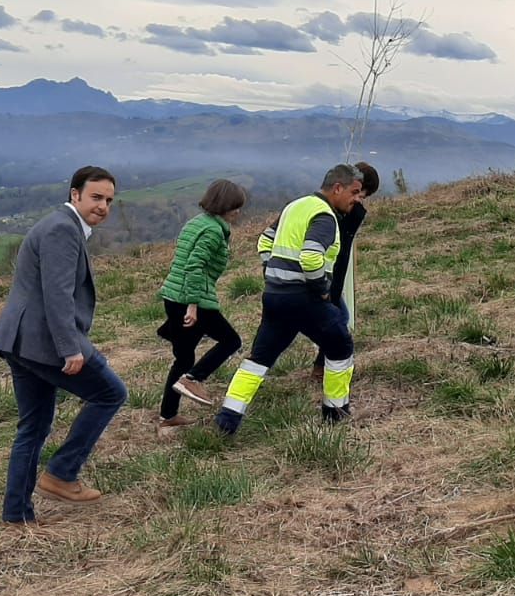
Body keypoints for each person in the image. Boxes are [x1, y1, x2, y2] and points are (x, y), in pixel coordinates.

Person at [0, 167, 128, 525]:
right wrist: (71, 349)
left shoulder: (60, 226)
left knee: (33, 427)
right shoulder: (62, 230)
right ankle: (62, 473)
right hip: (41, 341)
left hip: (21, 341)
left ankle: (17, 516)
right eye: (96, 197)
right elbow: (58, 297)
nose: (103, 206)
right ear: (75, 194)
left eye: (109, 200)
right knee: (111, 393)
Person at [214, 164, 364, 437]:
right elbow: (310, 256)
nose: (357, 199)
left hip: (274, 296)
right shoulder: (325, 215)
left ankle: (227, 420)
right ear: (337, 188)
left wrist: (273, 272)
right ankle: (336, 413)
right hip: (304, 298)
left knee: (259, 359)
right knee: (341, 344)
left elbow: (264, 241)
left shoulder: (294, 206)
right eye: (354, 192)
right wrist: (321, 289)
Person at [156, 179, 248, 431]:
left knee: (183, 358)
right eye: (236, 207)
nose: (238, 212)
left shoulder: (196, 222)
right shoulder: (213, 231)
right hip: (192, 299)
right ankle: (194, 379)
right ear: (225, 206)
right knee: (231, 341)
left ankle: (168, 416)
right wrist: (194, 305)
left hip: (174, 297)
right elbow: (194, 266)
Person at [313, 161, 380, 378]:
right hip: (327, 277)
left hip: (327, 277)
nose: (359, 200)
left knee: (339, 319)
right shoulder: (345, 212)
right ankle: (331, 369)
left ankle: (323, 366)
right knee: (339, 321)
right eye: (361, 194)